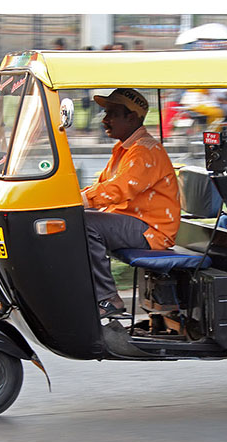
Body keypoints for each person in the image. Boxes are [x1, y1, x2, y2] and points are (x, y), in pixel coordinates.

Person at [80, 88, 181, 318]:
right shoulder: (124, 149)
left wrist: (79, 201)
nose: (105, 119)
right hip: (131, 222)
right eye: (106, 113)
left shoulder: (144, 151)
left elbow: (119, 189)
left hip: (150, 230)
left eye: (112, 113)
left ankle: (107, 298)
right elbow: (102, 186)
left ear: (132, 117)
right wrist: (70, 198)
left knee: (85, 223)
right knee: (76, 219)